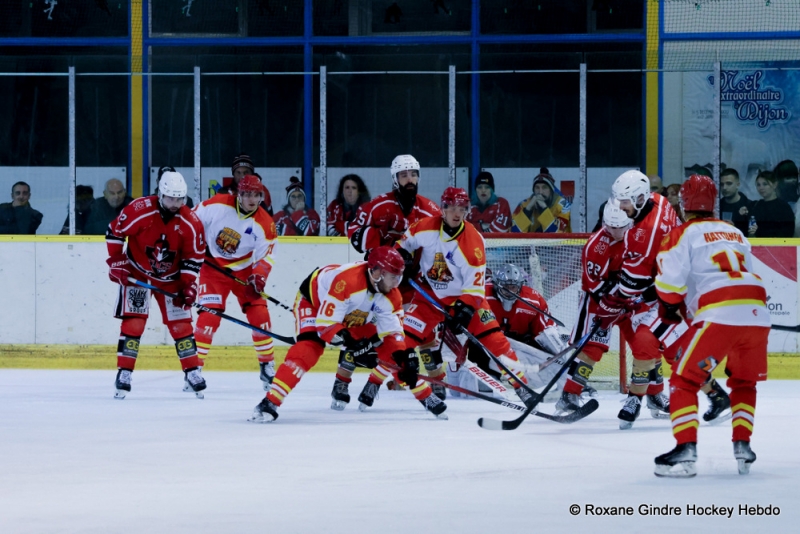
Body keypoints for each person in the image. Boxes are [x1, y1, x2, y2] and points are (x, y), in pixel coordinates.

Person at [376, 187, 536, 414]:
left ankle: (524, 388)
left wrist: (463, 311)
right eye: (451, 208)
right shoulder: (425, 227)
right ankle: (398, 386)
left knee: (497, 341)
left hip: (465, 298)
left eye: (462, 208)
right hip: (429, 297)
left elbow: (475, 289)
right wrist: (402, 255)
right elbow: (404, 243)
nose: (457, 213)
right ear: (442, 209)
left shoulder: (473, 243)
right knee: (401, 341)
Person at [653, 173, 770, 478]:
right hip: (758, 312)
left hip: (719, 312)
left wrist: (668, 306)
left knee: (683, 380)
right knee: (744, 382)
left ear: (684, 203)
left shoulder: (682, 234)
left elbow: (668, 285)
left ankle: (686, 448)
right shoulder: (734, 231)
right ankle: (743, 446)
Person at [248, 247, 419, 422]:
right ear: (377, 273)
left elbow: (391, 334)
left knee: (375, 344)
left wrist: (402, 357)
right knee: (307, 350)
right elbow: (325, 326)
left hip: (343, 309)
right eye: (393, 277)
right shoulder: (347, 281)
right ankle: (270, 402)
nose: (396, 283)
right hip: (312, 302)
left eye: (398, 277)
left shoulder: (386, 292)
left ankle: (424, 396)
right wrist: (353, 345)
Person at [334, 155, 440, 408]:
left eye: (413, 174)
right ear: (395, 179)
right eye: (404, 175)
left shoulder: (430, 210)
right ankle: (342, 381)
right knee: (360, 329)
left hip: (412, 282)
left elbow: (439, 245)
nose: (410, 179)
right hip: (378, 281)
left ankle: (432, 381)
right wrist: (381, 251)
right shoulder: (377, 206)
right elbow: (355, 233)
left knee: (419, 332)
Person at [591, 170, 681, 429]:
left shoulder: (643, 233)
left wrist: (610, 304)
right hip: (663, 287)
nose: (620, 206)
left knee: (667, 349)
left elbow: (633, 283)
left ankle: (714, 395)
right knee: (647, 346)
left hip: (668, 294)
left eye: (625, 201)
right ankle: (642, 398)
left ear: (641, 198)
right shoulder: (659, 200)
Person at [105, 171, 206, 399]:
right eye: (170, 198)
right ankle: (124, 372)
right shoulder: (140, 210)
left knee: (181, 325)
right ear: (160, 194)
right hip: (137, 274)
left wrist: (188, 285)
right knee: (134, 323)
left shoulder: (191, 221)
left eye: (179, 199)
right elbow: (114, 232)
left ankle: (192, 371)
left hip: (171, 279)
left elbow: (193, 257)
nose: (175, 203)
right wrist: (117, 261)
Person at [192, 174, 278, 390]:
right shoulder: (218, 204)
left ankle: (266, 365)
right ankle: (193, 369)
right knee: (208, 319)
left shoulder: (266, 224)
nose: (251, 199)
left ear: (261, 197)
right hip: (212, 266)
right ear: (238, 194)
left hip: (244, 271)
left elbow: (266, 256)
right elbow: (192, 222)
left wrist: (258, 276)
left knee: (260, 315)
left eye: (256, 195)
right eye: (247, 194)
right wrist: (193, 249)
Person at [453, 263, 568, 397]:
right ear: (496, 284)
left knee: (544, 354)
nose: (510, 292)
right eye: (506, 287)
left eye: (513, 287)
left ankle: (567, 382)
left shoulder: (534, 300)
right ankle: (487, 375)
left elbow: (546, 334)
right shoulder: (481, 295)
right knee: (476, 385)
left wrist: (559, 354)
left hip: (519, 348)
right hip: (486, 346)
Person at [511, 167, 571, 233]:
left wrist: (544, 209)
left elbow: (557, 235)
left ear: (551, 191)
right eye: (537, 188)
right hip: (530, 243)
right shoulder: (523, 204)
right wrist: (527, 211)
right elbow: (513, 234)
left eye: (544, 188)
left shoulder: (563, 205)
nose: (540, 192)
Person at [743, 170, 794, 238]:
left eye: (765, 184)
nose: (761, 188)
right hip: (757, 246)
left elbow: (788, 233)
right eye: (758, 185)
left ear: (775, 185)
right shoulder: (756, 206)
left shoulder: (784, 207)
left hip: (777, 246)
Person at [719, 168, 752, 234]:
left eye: (729, 183)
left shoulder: (750, 206)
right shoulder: (717, 207)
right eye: (722, 184)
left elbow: (754, 234)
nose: (724, 187)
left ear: (738, 185)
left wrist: (735, 229)